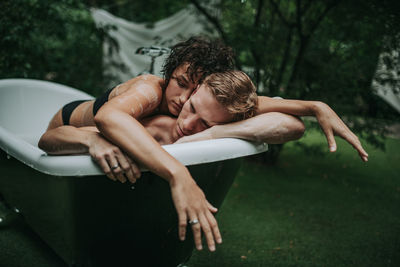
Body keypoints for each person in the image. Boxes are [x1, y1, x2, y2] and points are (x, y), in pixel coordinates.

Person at [39, 37, 368, 252]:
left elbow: (262, 104)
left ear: (203, 88)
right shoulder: (151, 89)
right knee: (100, 138)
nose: (181, 100)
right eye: (180, 84)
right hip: (69, 121)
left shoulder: (201, 99)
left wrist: (316, 107)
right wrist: (178, 174)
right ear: (171, 73)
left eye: (193, 92)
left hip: (114, 133)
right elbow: (107, 119)